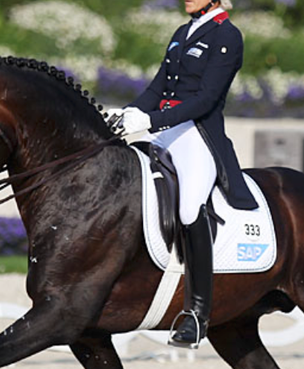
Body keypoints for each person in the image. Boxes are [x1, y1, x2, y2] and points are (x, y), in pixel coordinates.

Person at [109, 0, 258, 348]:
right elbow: (158, 88)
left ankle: (197, 313)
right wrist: (128, 113)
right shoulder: (181, 33)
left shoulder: (227, 35)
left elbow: (206, 99)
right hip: (163, 130)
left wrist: (152, 120)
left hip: (196, 135)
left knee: (190, 207)